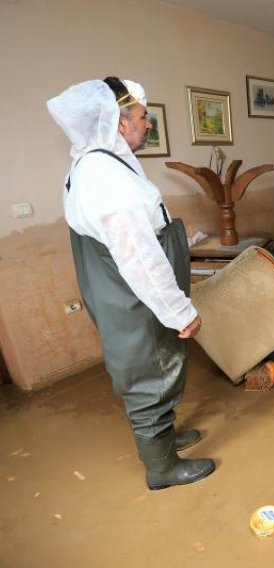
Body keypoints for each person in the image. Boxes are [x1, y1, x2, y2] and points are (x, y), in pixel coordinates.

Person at [47, 77, 215, 489]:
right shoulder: (106, 178)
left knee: (155, 368)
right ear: (120, 124)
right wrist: (180, 310)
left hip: (123, 293)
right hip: (134, 297)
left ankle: (167, 440)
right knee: (149, 376)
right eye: (143, 117)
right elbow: (139, 258)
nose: (148, 125)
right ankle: (162, 469)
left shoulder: (95, 162)